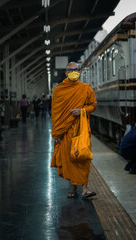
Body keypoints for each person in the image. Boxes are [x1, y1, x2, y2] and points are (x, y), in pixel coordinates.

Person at [51, 62, 97, 199]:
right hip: (65, 132)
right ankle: (73, 188)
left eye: (76, 69)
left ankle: (85, 189)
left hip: (80, 129)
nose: (74, 72)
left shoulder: (86, 89)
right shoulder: (59, 90)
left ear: (81, 72)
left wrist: (82, 111)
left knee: (82, 157)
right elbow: (56, 113)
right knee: (69, 159)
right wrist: (56, 133)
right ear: (66, 73)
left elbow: (93, 105)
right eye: (70, 70)